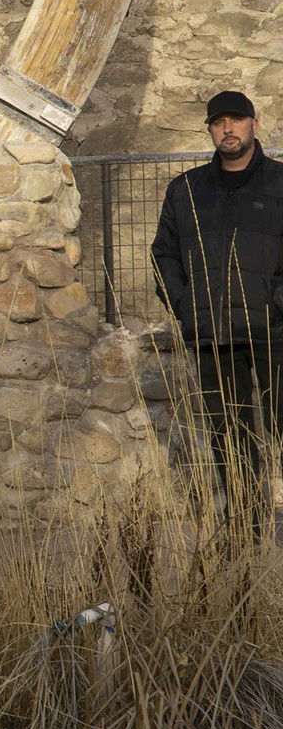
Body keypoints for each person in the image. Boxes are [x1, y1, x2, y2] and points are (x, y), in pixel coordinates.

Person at [152, 90, 283, 533]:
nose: (228, 129)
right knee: (229, 438)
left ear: (254, 124)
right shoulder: (186, 190)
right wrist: (187, 306)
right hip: (213, 334)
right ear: (209, 130)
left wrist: (276, 301)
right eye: (218, 121)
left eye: (236, 119)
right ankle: (245, 530)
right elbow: (163, 254)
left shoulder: (280, 182)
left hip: (275, 332)